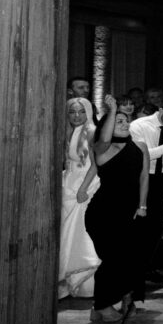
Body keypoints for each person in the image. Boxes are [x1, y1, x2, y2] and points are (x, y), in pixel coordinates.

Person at [85, 97, 149, 322]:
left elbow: (144, 178)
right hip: (103, 213)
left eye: (126, 120)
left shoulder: (140, 147)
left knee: (130, 258)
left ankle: (126, 300)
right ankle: (102, 305)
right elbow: (103, 137)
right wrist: (112, 110)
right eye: (118, 120)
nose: (123, 123)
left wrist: (142, 206)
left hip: (130, 212)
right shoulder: (102, 148)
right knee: (112, 259)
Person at [130, 97, 163, 284]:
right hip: (141, 177)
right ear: (161, 110)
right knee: (139, 225)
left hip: (159, 178)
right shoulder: (139, 125)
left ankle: (147, 268)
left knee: (155, 226)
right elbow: (139, 155)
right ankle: (134, 269)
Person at [59, 98, 101, 299]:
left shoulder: (92, 131)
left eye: (80, 112)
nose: (76, 116)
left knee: (79, 231)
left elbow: (95, 165)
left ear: (88, 112)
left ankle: (85, 283)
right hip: (69, 181)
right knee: (66, 232)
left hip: (85, 184)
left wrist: (83, 188)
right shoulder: (68, 131)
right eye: (72, 112)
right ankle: (67, 281)